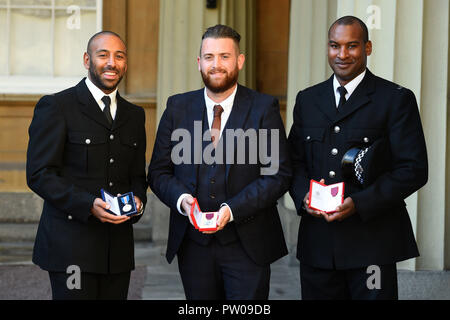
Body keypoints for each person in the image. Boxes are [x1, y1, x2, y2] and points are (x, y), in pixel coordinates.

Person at [288, 16, 428, 300]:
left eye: (352, 46)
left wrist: (360, 203)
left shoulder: (395, 99)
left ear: (368, 48)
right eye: (335, 46)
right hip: (318, 245)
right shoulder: (308, 99)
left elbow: (413, 169)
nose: (342, 54)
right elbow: (293, 161)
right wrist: (303, 195)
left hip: (372, 244)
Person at [148, 24, 291, 300]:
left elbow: (278, 175)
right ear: (199, 62)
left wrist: (231, 209)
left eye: (225, 56)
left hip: (248, 244)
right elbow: (158, 172)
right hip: (193, 244)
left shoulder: (264, 107)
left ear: (239, 61)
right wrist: (182, 201)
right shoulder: (177, 107)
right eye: (210, 57)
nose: (216, 65)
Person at [26, 31, 147, 300]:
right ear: (86, 60)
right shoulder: (57, 106)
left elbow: (138, 176)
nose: (111, 63)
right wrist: (87, 204)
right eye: (103, 55)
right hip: (70, 247)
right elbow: (39, 174)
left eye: (119, 56)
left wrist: (138, 200)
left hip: (117, 251)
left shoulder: (135, 116)